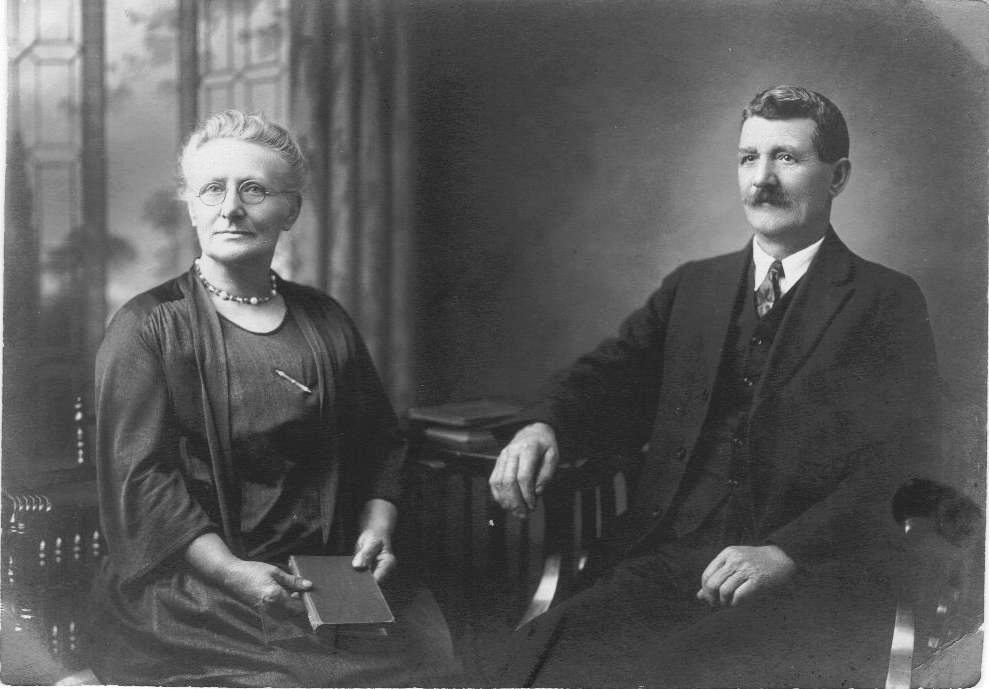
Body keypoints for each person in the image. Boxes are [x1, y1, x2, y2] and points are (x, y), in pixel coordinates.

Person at [488, 86, 940, 687]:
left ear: (839, 176)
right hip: (666, 559)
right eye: (749, 158)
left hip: (802, 578)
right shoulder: (693, 288)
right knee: (538, 658)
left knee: (674, 675)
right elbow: (606, 377)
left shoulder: (885, 300)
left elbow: (905, 463)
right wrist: (542, 424)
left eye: (787, 157)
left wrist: (789, 551)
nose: (763, 179)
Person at [89, 110, 454, 686]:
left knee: (428, 666)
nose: (230, 208)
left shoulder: (325, 319)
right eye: (212, 190)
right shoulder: (148, 327)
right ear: (192, 205)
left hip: (323, 578)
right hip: (198, 592)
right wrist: (234, 572)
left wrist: (376, 528)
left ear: (291, 210)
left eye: (253, 190)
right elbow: (142, 480)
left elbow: (380, 443)